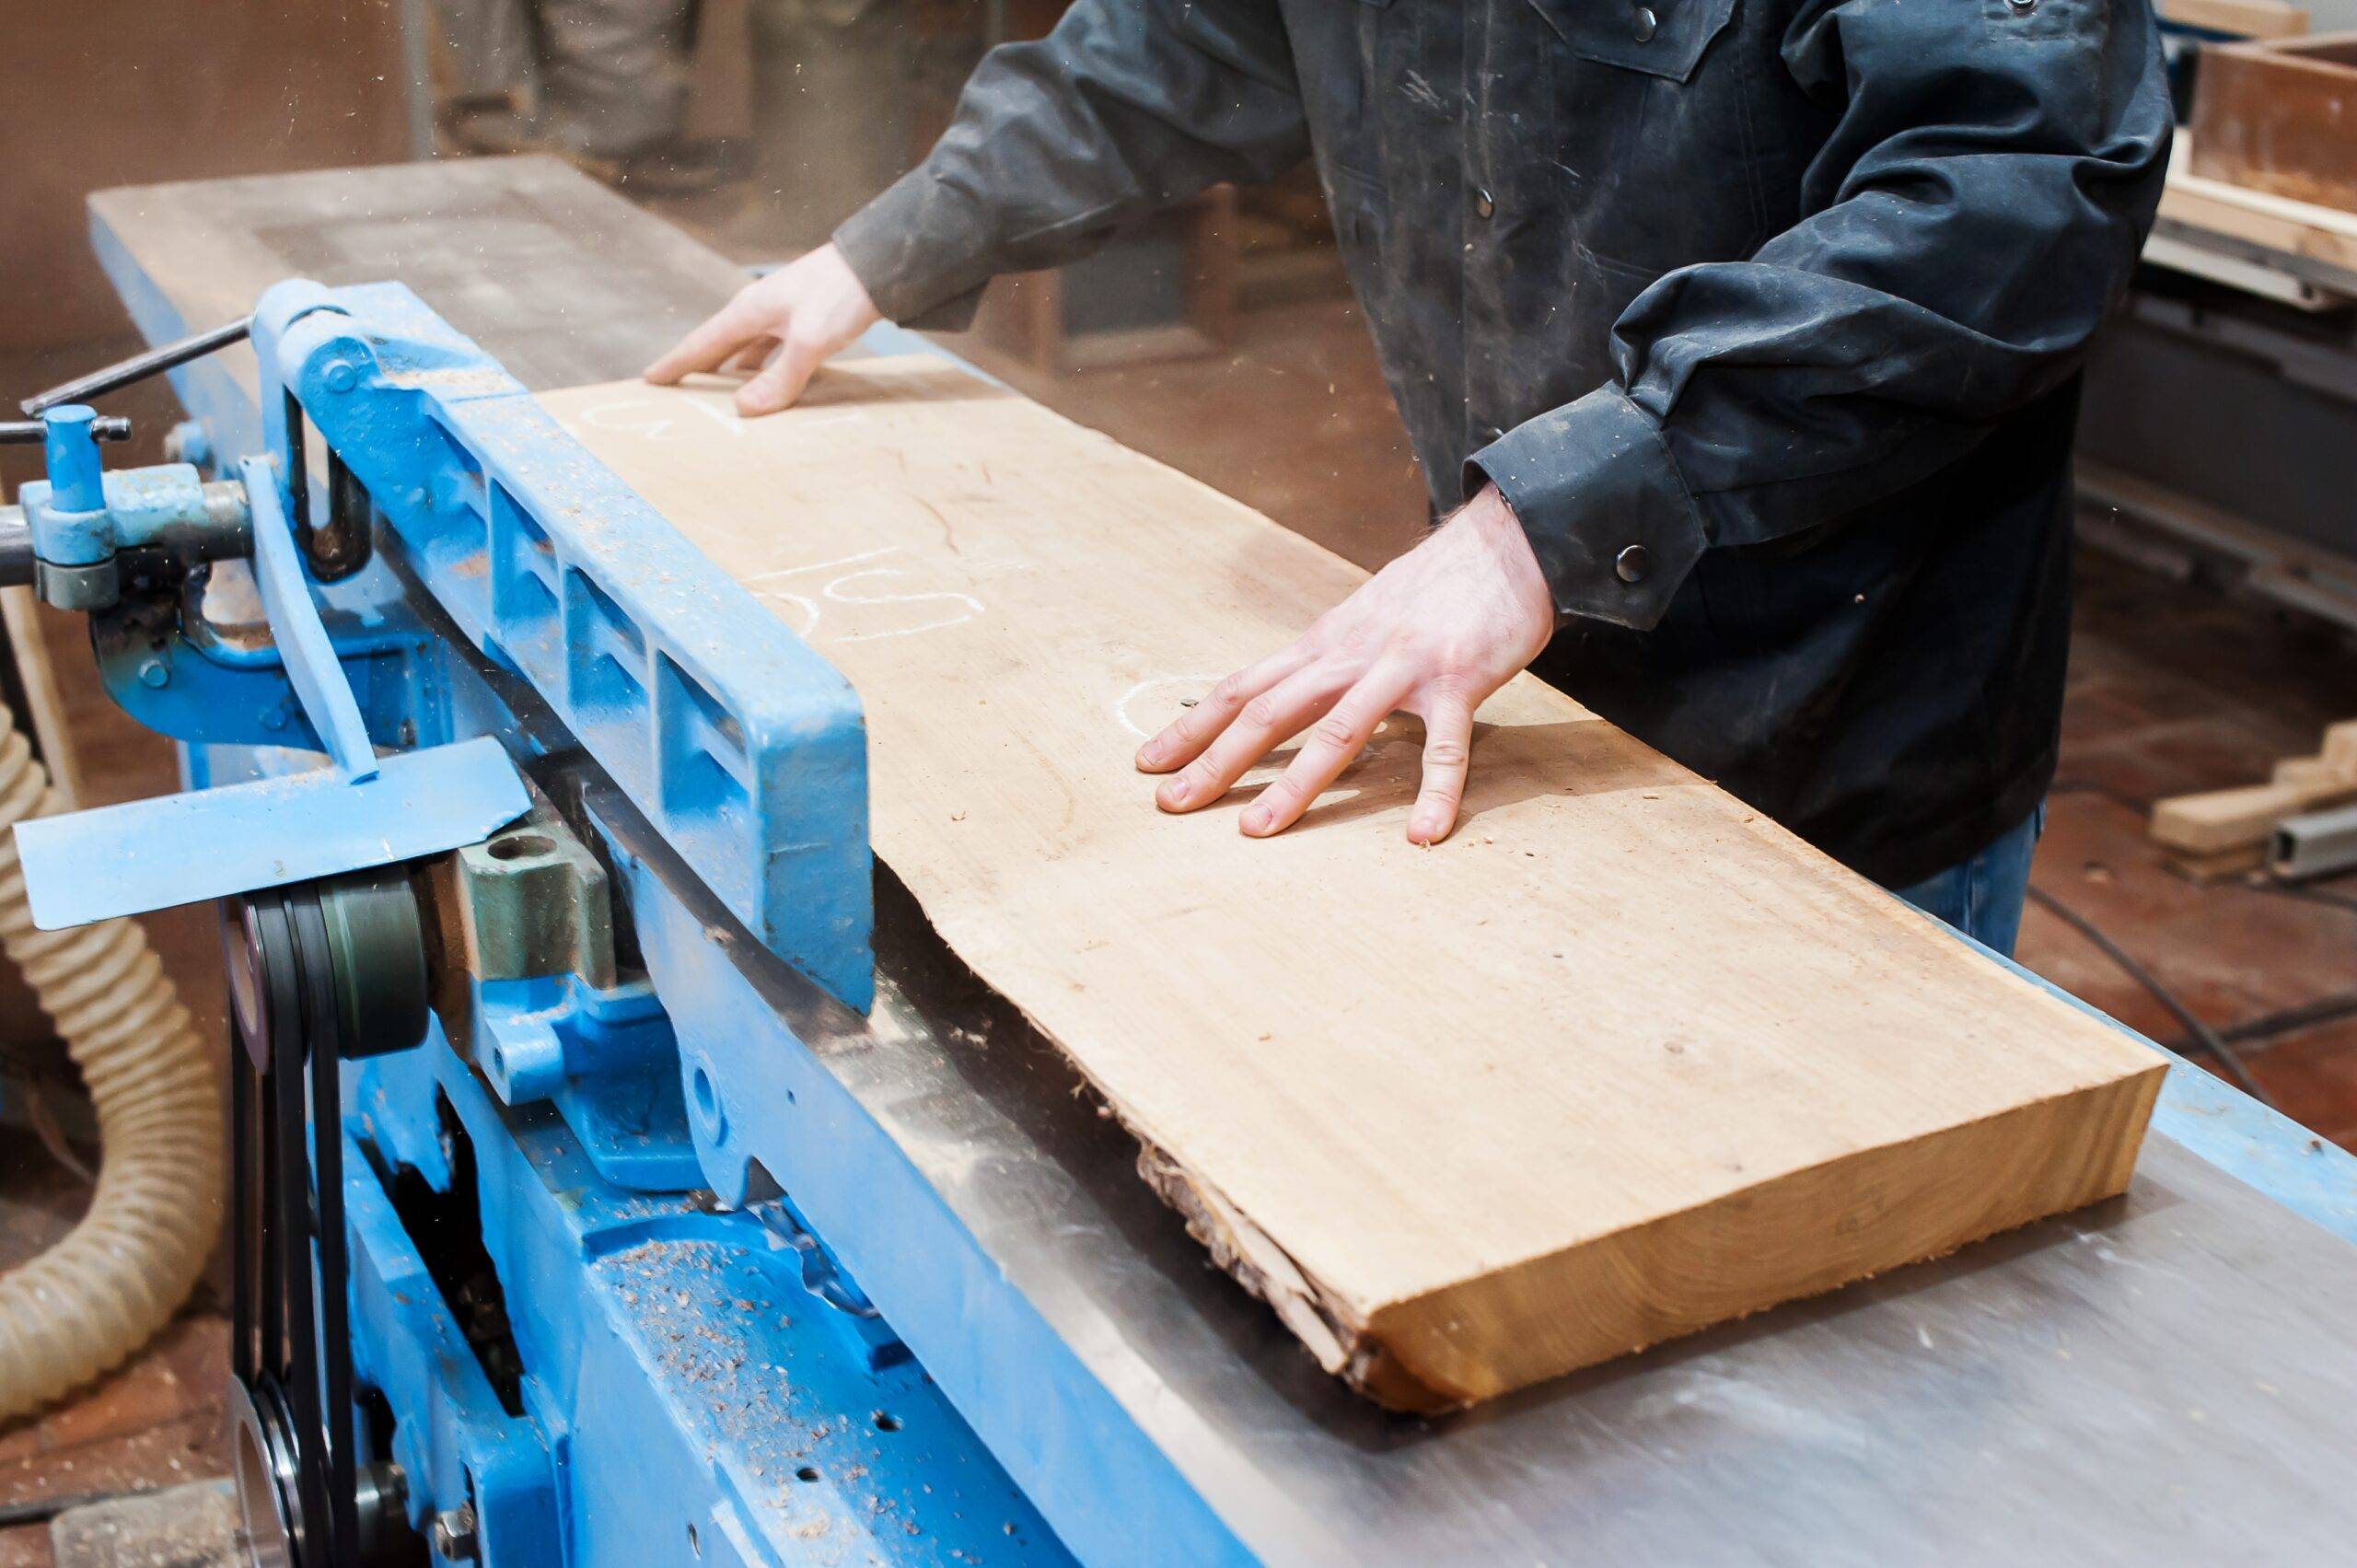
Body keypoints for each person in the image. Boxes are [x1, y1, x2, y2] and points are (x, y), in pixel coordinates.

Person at [645, 0, 2172, 957]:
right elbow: (1178, 49)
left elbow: (2010, 198)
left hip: (1843, 727)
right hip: (1528, 679)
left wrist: (1550, 519)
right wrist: (887, 251)